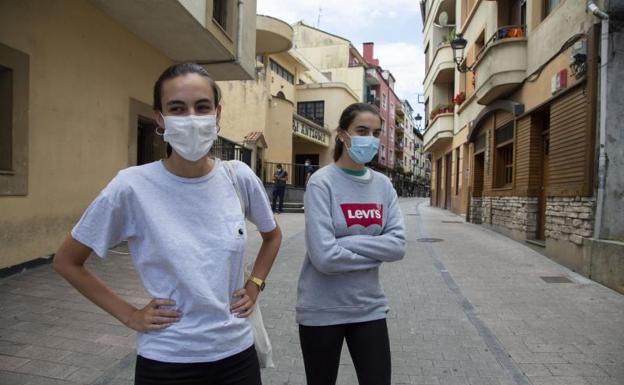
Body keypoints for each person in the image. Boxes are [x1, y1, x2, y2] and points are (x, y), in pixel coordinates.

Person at [53, 63, 282, 385]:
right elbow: (67, 262)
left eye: (201, 107)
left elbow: (272, 236)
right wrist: (129, 314)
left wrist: (255, 284)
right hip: (168, 360)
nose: (191, 117)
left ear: (217, 113)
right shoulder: (131, 187)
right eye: (177, 108)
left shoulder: (237, 177)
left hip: (236, 354)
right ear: (160, 118)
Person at [296, 102, 406, 385]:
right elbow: (324, 257)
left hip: (369, 307)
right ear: (343, 134)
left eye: (375, 132)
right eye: (361, 130)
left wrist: (346, 241)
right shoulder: (322, 183)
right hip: (321, 310)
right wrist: (375, 250)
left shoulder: (383, 185)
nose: (369, 138)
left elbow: (397, 246)